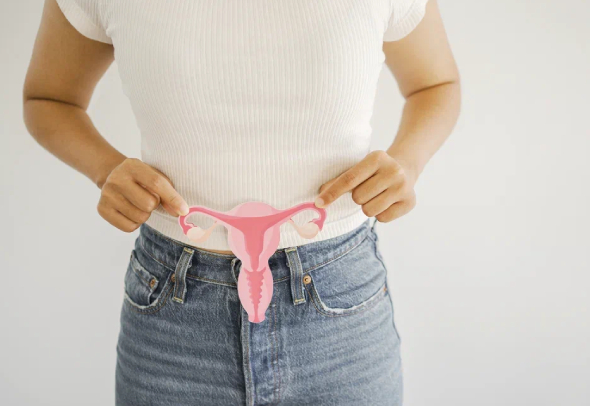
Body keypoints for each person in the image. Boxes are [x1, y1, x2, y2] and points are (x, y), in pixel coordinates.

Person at [23, 0, 460, 404]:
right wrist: (105, 169)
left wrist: (408, 163)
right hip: (170, 316)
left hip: (341, 310)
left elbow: (436, 83)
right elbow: (48, 98)